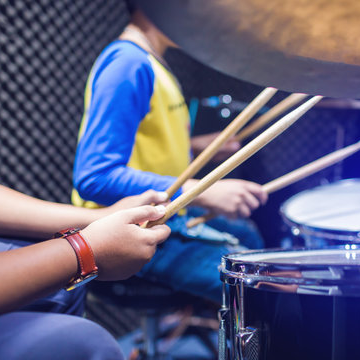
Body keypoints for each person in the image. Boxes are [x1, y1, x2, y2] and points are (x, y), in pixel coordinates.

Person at [0, 3, 171, 359]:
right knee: (84, 343)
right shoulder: (127, 63)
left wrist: (95, 220)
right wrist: (84, 251)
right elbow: (96, 175)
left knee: (61, 289)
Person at [71, 1, 268, 303]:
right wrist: (202, 191)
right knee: (253, 284)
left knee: (250, 237)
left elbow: (143, 137)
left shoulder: (153, 61)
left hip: (166, 212)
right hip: (130, 226)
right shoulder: (127, 63)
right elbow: (95, 178)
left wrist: (196, 146)